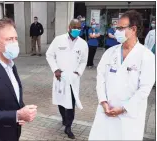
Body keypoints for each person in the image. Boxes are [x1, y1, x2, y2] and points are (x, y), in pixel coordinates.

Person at [89, 10, 155, 140]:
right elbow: (100, 77)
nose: (116, 31)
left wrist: (124, 108)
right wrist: (103, 101)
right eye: (116, 28)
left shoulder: (146, 56)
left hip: (128, 117)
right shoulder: (110, 53)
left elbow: (145, 89)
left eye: (120, 28)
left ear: (133, 29)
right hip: (106, 111)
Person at [46, 19, 88, 139]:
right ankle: (64, 119)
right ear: (69, 27)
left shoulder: (83, 43)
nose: (77, 30)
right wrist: (55, 69)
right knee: (61, 101)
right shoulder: (58, 40)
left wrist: (78, 72)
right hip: (60, 77)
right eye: (75, 27)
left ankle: (68, 127)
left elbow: (84, 61)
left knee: (71, 103)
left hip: (73, 78)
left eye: (79, 28)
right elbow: (49, 54)